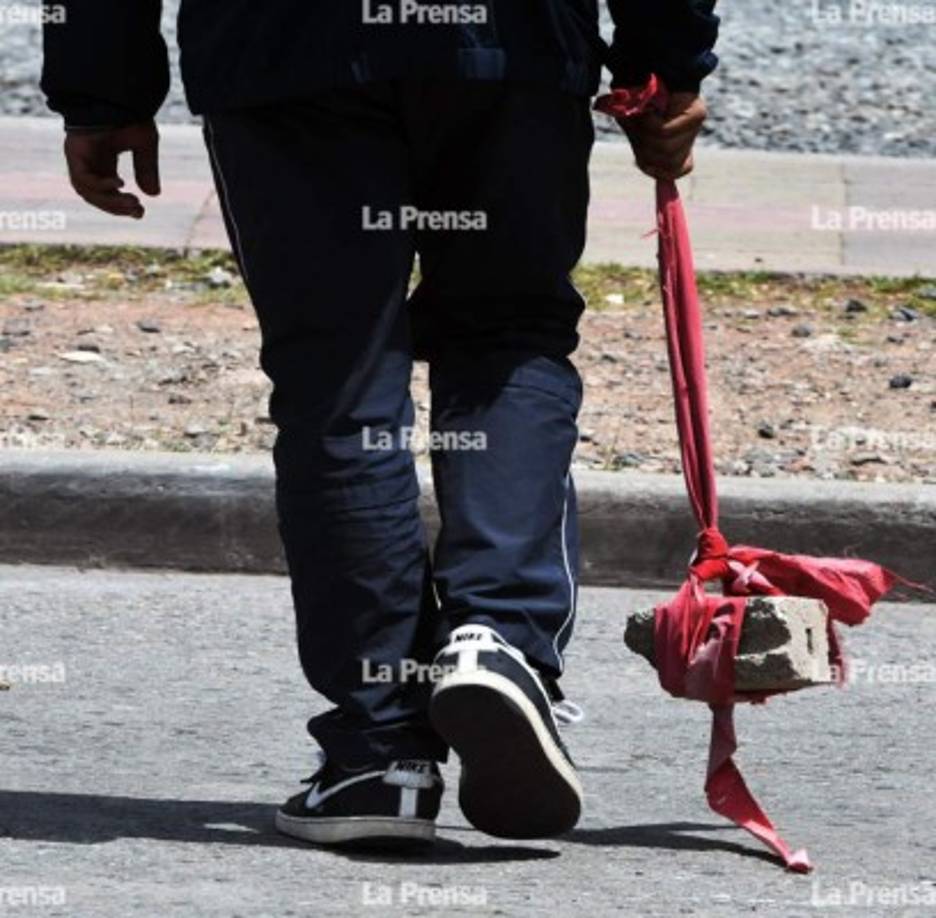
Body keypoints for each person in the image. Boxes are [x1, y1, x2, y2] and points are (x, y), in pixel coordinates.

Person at [42, 0, 719, 847]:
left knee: (338, 377)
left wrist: (101, 89)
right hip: (509, 52)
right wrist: (663, 64)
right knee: (507, 341)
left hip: (287, 55)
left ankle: (379, 749)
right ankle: (498, 638)